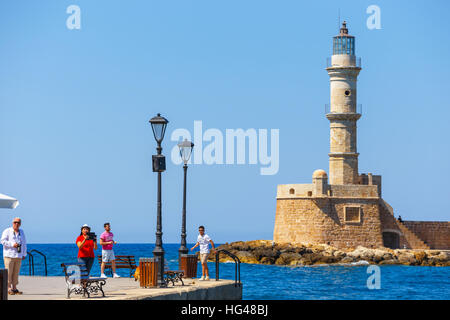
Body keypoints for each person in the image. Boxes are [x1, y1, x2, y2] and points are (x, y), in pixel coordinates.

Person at [1, 217, 27, 295]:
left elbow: (24, 243)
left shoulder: (21, 232)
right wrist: (12, 244)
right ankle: (9, 288)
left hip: (18, 256)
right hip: (9, 255)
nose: (17, 224)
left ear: (20, 224)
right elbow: (2, 241)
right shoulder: (7, 231)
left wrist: (24, 254)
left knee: (16, 272)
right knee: (9, 272)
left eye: (18, 222)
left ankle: (14, 288)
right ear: (12, 223)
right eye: (15, 222)